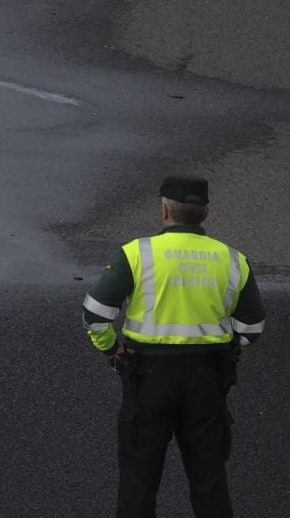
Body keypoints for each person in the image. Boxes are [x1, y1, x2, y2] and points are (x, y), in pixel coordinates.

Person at [83, 175, 266, 518]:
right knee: (209, 480)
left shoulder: (137, 253)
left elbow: (95, 313)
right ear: (206, 212)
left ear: (164, 211)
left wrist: (112, 349)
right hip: (208, 378)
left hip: (148, 377)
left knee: (139, 481)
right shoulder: (232, 259)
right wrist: (226, 350)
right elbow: (252, 327)